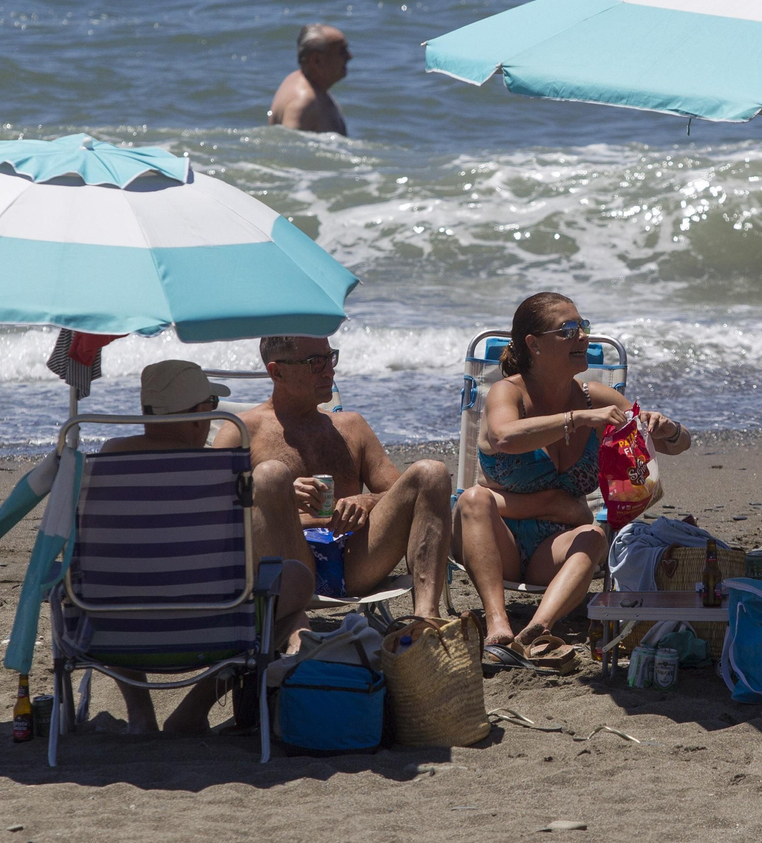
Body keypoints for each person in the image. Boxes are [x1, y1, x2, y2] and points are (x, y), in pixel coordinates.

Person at [454, 292, 692, 663]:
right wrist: (576, 422)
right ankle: (498, 623)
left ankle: (537, 630)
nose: (583, 337)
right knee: (473, 499)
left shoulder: (596, 398)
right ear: (534, 344)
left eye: (583, 327)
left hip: (554, 550)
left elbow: (677, 445)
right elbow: (504, 437)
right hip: (498, 542)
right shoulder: (507, 393)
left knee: (593, 535)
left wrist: (668, 428)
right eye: (568, 330)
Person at [96, 360, 312, 735]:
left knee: (110, 583)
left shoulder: (105, 462)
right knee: (296, 579)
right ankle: (194, 708)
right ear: (198, 417)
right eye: (211, 405)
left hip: (118, 630)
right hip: (212, 630)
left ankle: (141, 714)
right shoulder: (219, 472)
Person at [212, 335, 452, 641]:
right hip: (290, 561)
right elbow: (211, 507)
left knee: (432, 473)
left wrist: (367, 501)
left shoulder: (351, 426)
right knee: (270, 476)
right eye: (316, 363)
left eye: (330, 357)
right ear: (277, 372)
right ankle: (294, 627)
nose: (330, 371)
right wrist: (275, 495)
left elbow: (398, 495)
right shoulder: (242, 430)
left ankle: (425, 621)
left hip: (357, 559)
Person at [266, 24, 351, 134]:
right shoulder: (304, 101)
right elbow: (289, 142)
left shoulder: (308, 85)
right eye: (342, 52)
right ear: (316, 60)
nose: (349, 56)